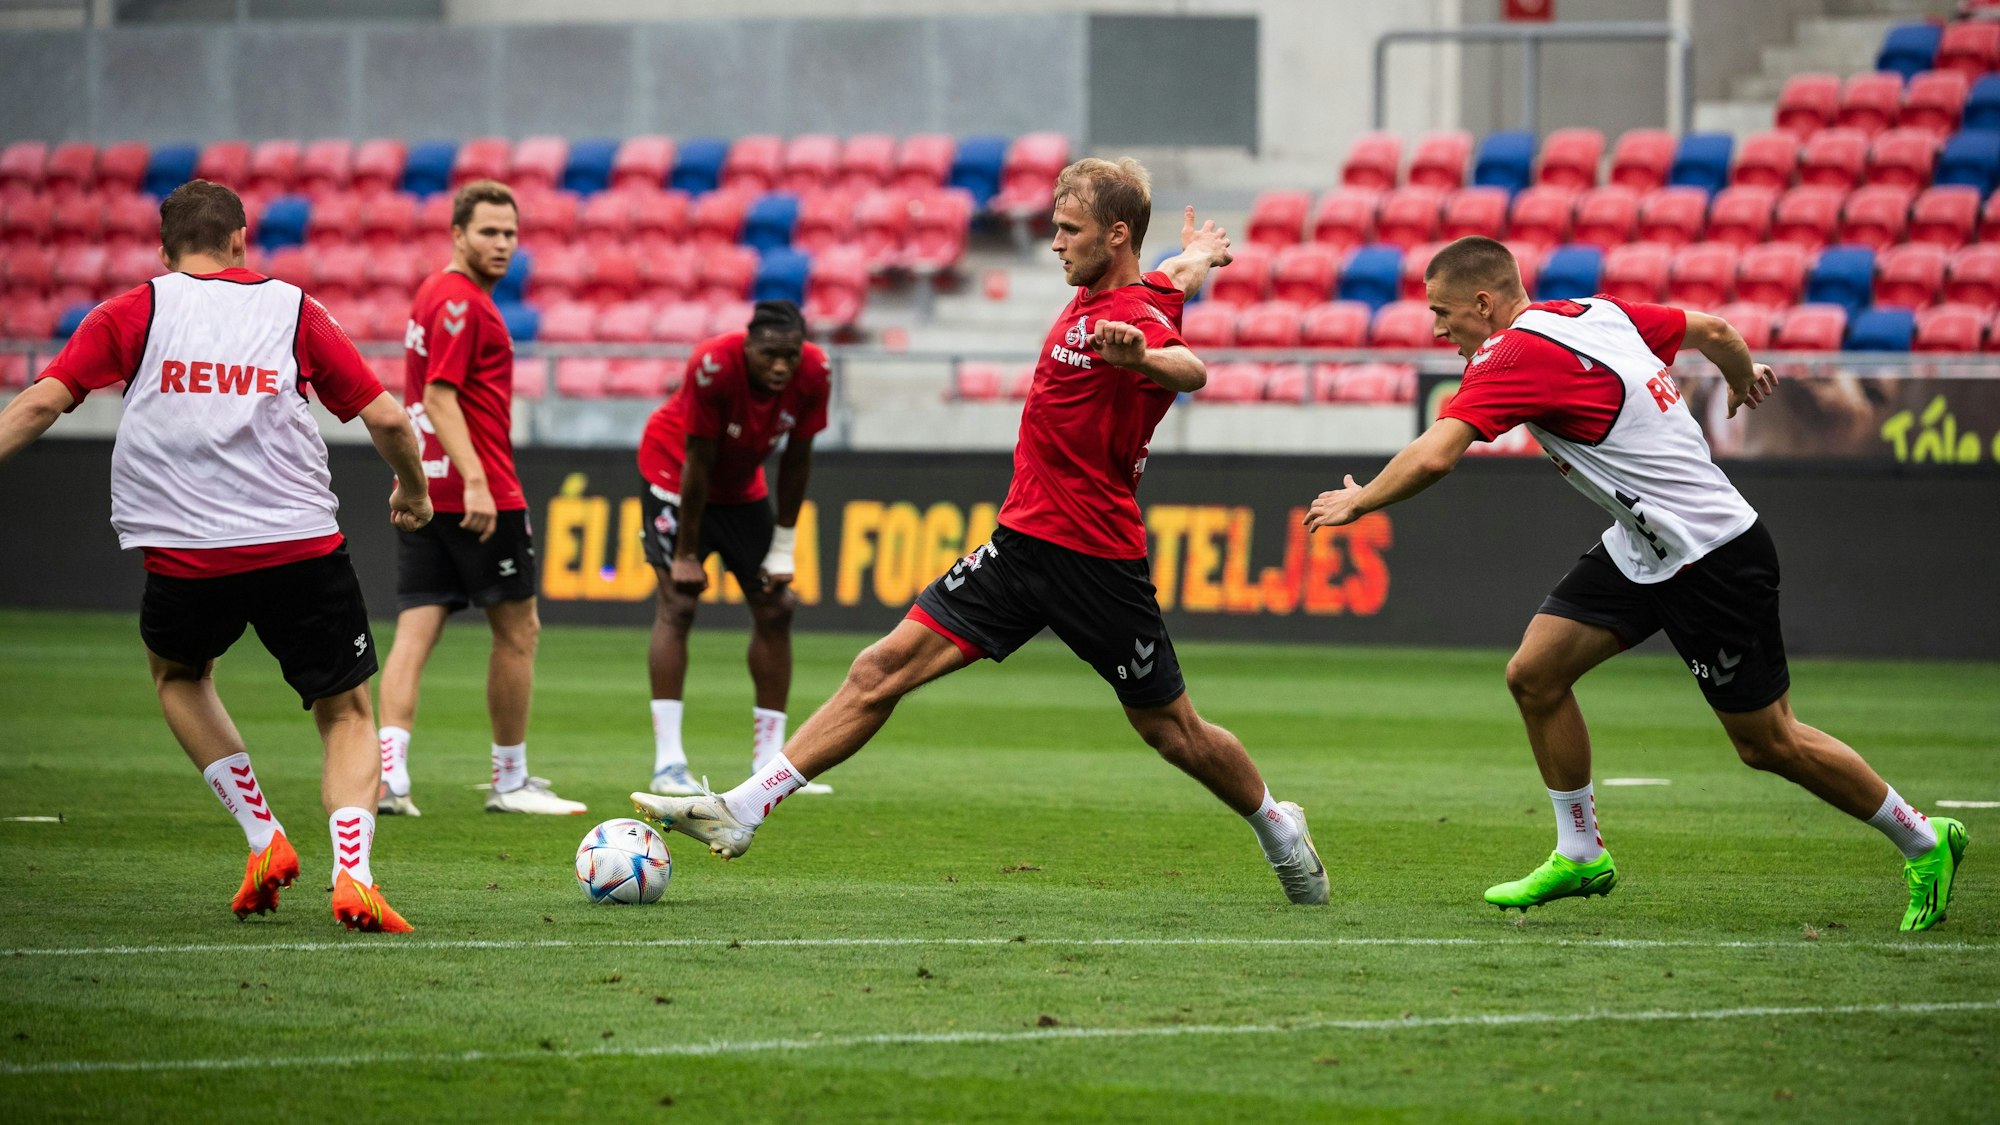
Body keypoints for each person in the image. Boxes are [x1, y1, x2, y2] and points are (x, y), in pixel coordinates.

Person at [633, 158, 1329, 905]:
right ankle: (742, 810)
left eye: (1070, 230)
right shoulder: (1135, 286)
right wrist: (1201, 255)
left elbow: (1189, 367)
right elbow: (1175, 275)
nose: (1056, 244)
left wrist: (1149, 358)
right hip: (1020, 544)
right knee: (880, 669)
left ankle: (1279, 828)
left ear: (1115, 234)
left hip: (1095, 561)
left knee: (1173, 731)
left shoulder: (1131, 319)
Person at [1302, 235, 1966, 931]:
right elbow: (1714, 331)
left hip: (1712, 555)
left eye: (1443, 313)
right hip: (1645, 547)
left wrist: (1361, 500)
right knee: (1535, 673)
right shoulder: (1593, 311)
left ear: (1484, 302)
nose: (1438, 329)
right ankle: (1581, 851)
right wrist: (1742, 378)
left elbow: (1438, 456)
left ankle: (1925, 838)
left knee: (1768, 742)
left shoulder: (1513, 354)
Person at [0, 179, 432, 932]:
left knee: (178, 675)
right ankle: (354, 877)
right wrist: (415, 491)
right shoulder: (290, 307)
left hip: (186, 557)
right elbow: (389, 418)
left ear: (164, 251)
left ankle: (264, 838)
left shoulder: (134, 309)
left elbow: (39, 402)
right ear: (239, 240)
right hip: (298, 544)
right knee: (345, 709)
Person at [375, 180, 584, 817]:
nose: (501, 244)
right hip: (476, 489)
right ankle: (510, 779)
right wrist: (475, 480)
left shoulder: (431, 295)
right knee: (519, 632)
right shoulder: (462, 302)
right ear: (457, 234)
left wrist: (420, 475)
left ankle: (390, 779)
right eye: (488, 231)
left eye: (510, 233)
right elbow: (439, 396)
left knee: (416, 629)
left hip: (424, 485)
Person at [636, 300, 834, 797]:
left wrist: (783, 548)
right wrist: (685, 553)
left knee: (776, 607)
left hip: (742, 486)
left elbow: (797, 460)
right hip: (674, 473)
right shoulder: (713, 365)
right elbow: (698, 461)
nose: (781, 366)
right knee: (678, 604)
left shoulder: (815, 371)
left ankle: (771, 762)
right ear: (747, 347)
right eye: (769, 354)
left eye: (790, 355)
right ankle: (669, 763)